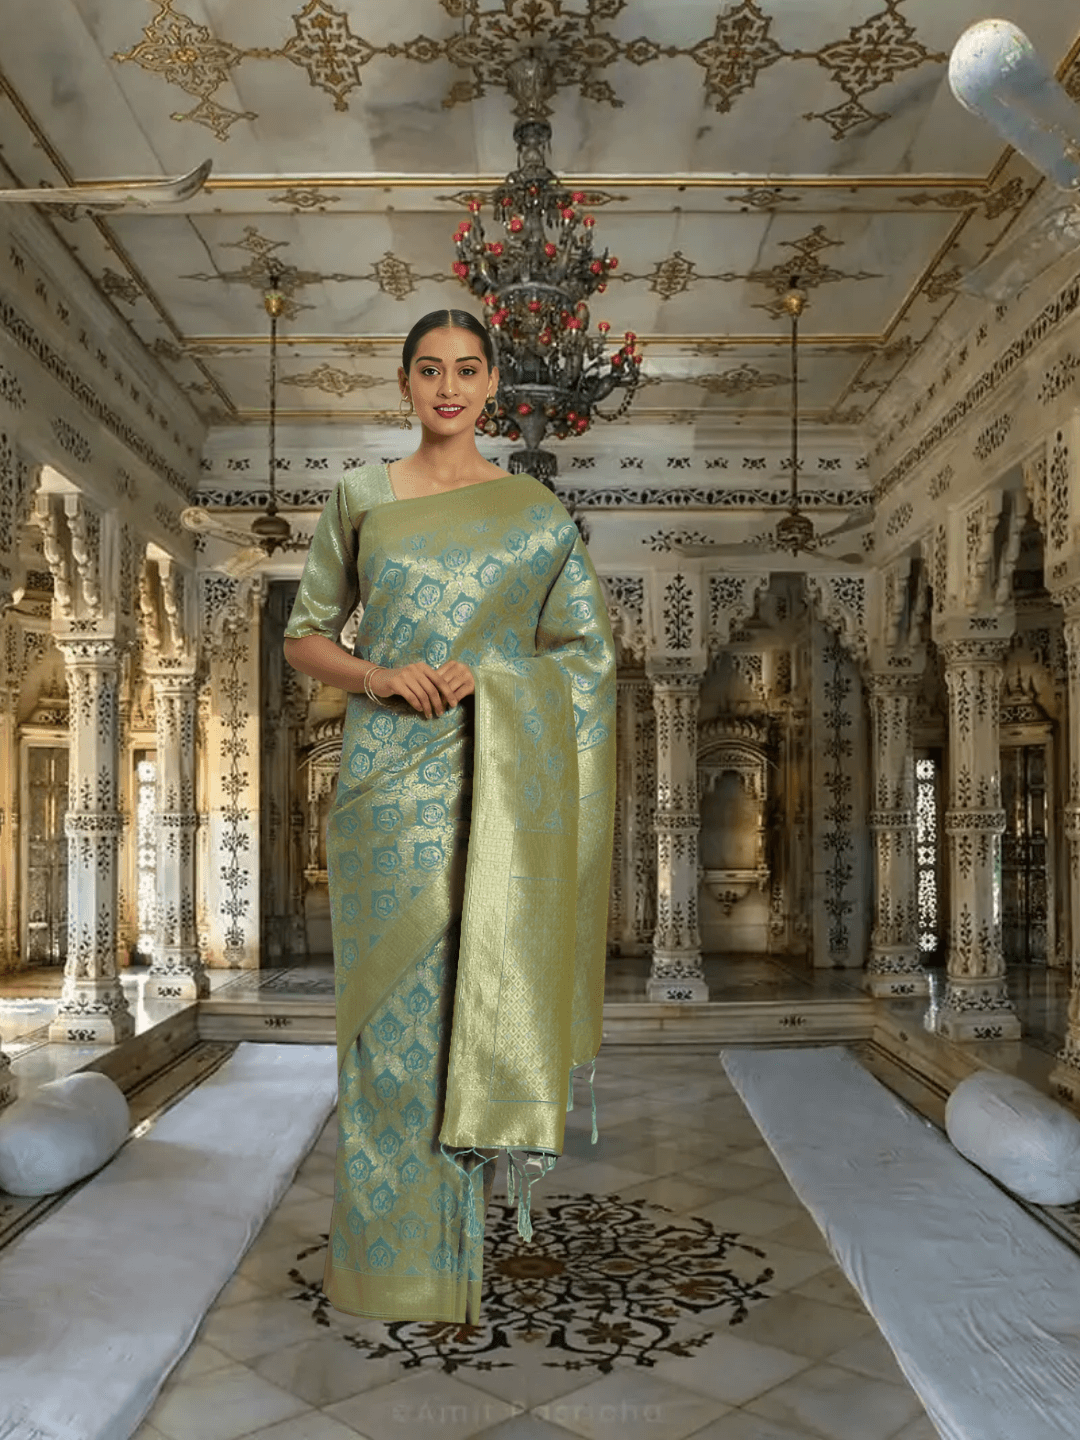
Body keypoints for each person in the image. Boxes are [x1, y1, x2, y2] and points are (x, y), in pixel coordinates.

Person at [282, 307, 616, 1324]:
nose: (448, 387)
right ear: (404, 384)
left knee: (470, 1018)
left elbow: (587, 656)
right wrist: (380, 673)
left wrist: (496, 674)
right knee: (388, 1035)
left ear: (496, 383)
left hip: (500, 799)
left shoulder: (532, 511)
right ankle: (393, 1266)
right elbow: (304, 639)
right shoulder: (361, 498)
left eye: (467, 369)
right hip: (388, 797)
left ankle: (462, 1250)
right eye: (428, 369)